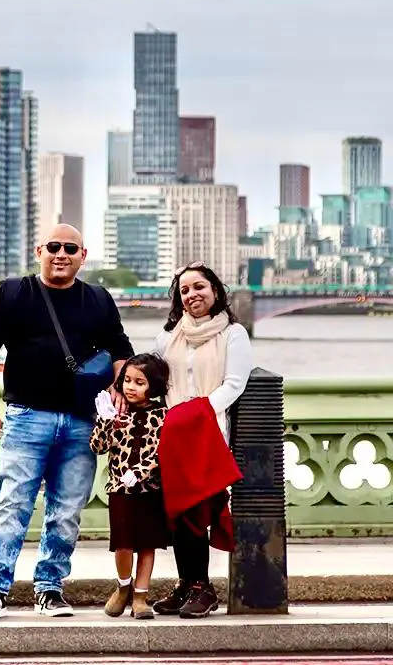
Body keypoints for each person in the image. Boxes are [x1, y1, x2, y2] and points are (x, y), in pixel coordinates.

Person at [0, 223, 135, 621]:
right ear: (39, 250)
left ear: (83, 256)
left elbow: (120, 348)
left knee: (67, 510)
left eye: (70, 248)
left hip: (82, 421)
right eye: (54, 247)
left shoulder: (97, 299)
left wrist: (120, 388)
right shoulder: (11, 293)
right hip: (26, 416)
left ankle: (50, 589)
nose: (62, 254)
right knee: (11, 503)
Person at [151, 261, 253, 619]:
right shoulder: (167, 338)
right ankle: (186, 583)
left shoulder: (233, 334)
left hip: (208, 432)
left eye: (199, 287)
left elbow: (235, 384)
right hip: (174, 434)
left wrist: (196, 412)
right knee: (178, 510)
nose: (192, 294)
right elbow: (156, 382)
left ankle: (202, 588)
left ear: (214, 291)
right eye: (184, 290)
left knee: (199, 509)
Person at [90, 353, 172, 620]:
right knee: (123, 544)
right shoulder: (118, 412)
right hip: (120, 490)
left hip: (150, 490)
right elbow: (98, 447)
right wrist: (104, 421)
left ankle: (140, 595)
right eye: (127, 380)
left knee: (147, 544)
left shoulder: (162, 415)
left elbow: (162, 453)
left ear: (153, 386)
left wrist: (140, 472)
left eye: (139, 382)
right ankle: (123, 586)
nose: (130, 387)